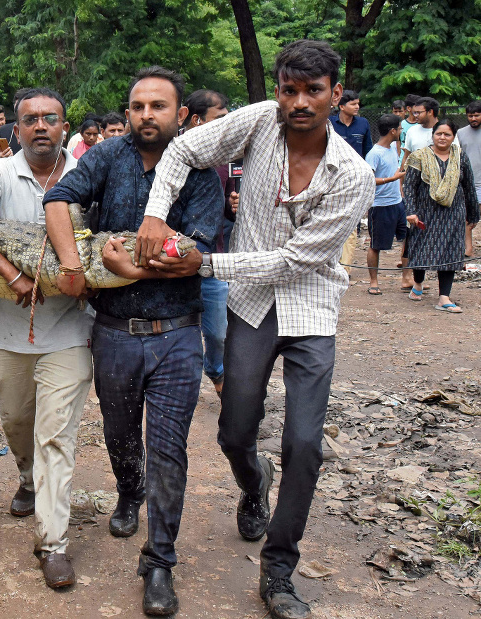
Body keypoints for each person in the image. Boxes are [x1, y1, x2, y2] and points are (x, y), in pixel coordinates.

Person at [134, 40, 375, 619]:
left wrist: (206, 263)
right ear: (277, 90)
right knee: (235, 431)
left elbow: (296, 262)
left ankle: (279, 571)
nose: (299, 102)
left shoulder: (354, 174)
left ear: (335, 95)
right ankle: (253, 481)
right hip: (249, 304)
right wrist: (155, 212)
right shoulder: (257, 124)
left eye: (313, 91)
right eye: (289, 89)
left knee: (305, 443)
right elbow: (182, 151)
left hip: (311, 308)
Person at [45, 66, 223, 616]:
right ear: (128, 113)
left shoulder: (201, 174)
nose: (147, 114)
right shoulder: (108, 156)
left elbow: (193, 254)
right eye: (138, 106)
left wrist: (127, 268)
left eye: (159, 106)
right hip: (114, 333)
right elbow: (58, 197)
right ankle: (128, 492)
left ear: (181, 116)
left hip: (176, 336)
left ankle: (160, 561)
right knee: (121, 434)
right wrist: (76, 263)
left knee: (168, 449)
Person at [0, 87, 93, 590]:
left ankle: (52, 544)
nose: (40, 127)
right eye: (30, 119)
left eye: (50, 118)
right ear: (16, 128)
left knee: (56, 436)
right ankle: (27, 478)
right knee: (15, 420)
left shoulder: (85, 174)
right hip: (7, 329)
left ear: (64, 126)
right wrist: (11, 275)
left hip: (70, 328)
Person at [182, 88, 232, 396]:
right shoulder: (172, 156)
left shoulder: (223, 158)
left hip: (213, 261)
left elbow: (221, 210)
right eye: (221, 119)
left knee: (219, 334)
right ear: (197, 120)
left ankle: (215, 370)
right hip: (173, 263)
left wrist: (232, 207)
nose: (228, 125)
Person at [404, 119, 479, 313]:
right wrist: (411, 211)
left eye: (447, 134)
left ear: (453, 137)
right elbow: (410, 187)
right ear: (433, 135)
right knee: (421, 248)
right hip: (425, 212)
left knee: (451, 253)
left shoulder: (460, 157)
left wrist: (473, 214)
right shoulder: (419, 156)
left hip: (453, 212)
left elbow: (468, 185)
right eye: (439, 134)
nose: (442, 138)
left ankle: (444, 297)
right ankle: (418, 283)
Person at [365, 114, 409, 295]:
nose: (401, 131)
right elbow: (368, 180)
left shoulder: (393, 147)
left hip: (398, 203)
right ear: (392, 131)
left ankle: (407, 277)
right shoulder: (374, 154)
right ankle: (373, 281)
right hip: (380, 206)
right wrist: (392, 178)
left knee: (409, 238)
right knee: (376, 245)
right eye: (399, 128)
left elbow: (396, 167)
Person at [331, 90, 373, 276]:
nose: (357, 107)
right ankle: (330, 264)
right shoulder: (329, 123)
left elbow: (368, 151)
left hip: (355, 180)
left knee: (352, 224)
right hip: (331, 179)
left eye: (358, 103)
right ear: (341, 106)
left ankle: (345, 269)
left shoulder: (363, 124)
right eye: (353, 104)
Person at [456, 100, 481, 258]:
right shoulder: (460, 133)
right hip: (468, 182)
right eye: (470, 116)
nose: (473, 118)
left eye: (476, 115)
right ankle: (468, 249)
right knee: (468, 218)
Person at [403, 97, 444, 162]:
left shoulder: (446, 131)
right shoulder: (412, 131)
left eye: (418, 113)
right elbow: (406, 157)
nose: (415, 115)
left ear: (430, 112)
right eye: (414, 113)